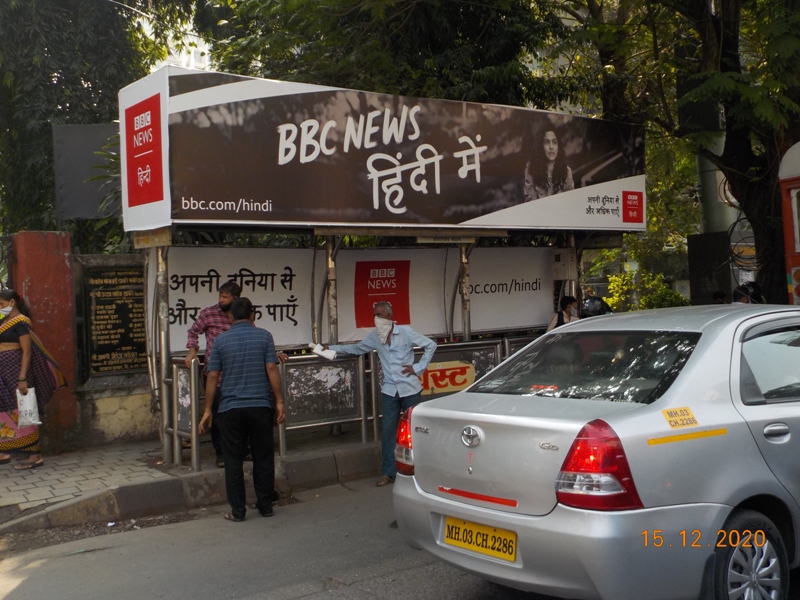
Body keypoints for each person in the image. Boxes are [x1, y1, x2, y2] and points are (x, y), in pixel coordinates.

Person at [325, 301, 437, 487]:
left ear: (389, 316)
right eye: (375, 315)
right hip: (390, 390)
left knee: (414, 430)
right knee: (387, 431)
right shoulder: (375, 337)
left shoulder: (406, 332)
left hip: (410, 387)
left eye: (380, 315)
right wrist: (330, 349)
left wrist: (417, 368)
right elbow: (356, 349)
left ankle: (418, 469)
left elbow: (431, 345)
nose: (377, 318)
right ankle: (389, 472)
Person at [198, 297, 286, 522]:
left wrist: (208, 409)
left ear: (230, 316)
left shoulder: (220, 341)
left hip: (230, 408)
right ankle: (265, 506)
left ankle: (238, 511)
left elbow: (213, 376)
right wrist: (279, 401)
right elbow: (271, 368)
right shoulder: (264, 336)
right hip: (260, 406)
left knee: (233, 460)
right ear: (252, 315)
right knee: (263, 457)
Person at [0, 290, 66, 470]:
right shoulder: (5, 322)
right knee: (5, 408)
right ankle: (4, 450)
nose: (0, 308)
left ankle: (35, 456)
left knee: (24, 409)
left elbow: (27, 352)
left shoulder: (21, 323)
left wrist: (22, 378)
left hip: (16, 371)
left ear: (12, 302)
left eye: (1, 304)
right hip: (4, 371)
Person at [185, 280, 241, 468]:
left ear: (235, 298)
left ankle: (242, 450)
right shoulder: (208, 313)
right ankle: (221, 454)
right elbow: (193, 332)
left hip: (236, 373)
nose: (221, 300)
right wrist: (192, 351)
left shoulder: (240, 315)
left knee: (237, 413)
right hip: (213, 374)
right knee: (216, 414)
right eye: (220, 295)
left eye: (225, 297)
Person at [524, 129, 575, 201]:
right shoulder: (531, 171)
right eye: (546, 142)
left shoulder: (566, 172)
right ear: (540, 146)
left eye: (554, 142)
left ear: (558, 146)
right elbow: (532, 204)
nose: (551, 147)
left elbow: (571, 201)